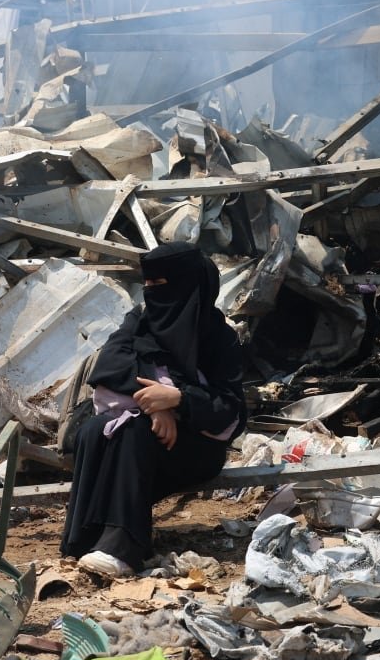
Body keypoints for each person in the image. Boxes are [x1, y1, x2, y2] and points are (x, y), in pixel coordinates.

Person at [60, 242, 246, 578]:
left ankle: (124, 549)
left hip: (196, 446)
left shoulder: (220, 339)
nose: (151, 293)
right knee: (94, 430)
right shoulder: (140, 320)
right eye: (147, 284)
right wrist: (153, 404)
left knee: (130, 430)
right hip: (150, 429)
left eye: (160, 284)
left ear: (188, 285)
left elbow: (229, 410)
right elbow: (109, 364)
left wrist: (178, 400)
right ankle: (84, 540)